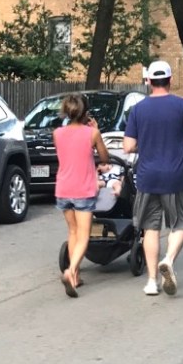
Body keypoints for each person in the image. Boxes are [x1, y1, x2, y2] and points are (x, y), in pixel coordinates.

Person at [123, 60, 183, 297]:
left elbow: (128, 146)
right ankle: (168, 259)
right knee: (180, 223)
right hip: (177, 177)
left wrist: (147, 144)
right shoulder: (182, 106)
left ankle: (151, 282)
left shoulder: (138, 109)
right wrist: (179, 141)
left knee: (150, 228)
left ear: (148, 81)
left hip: (148, 177)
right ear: (170, 80)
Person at [53, 93, 110, 297]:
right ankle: (70, 271)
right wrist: (96, 131)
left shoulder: (57, 133)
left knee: (73, 232)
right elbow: (104, 158)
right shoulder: (92, 133)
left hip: (63, 188)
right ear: (85, 112)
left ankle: (76, 277)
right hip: (83, 189)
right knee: (84, 235)